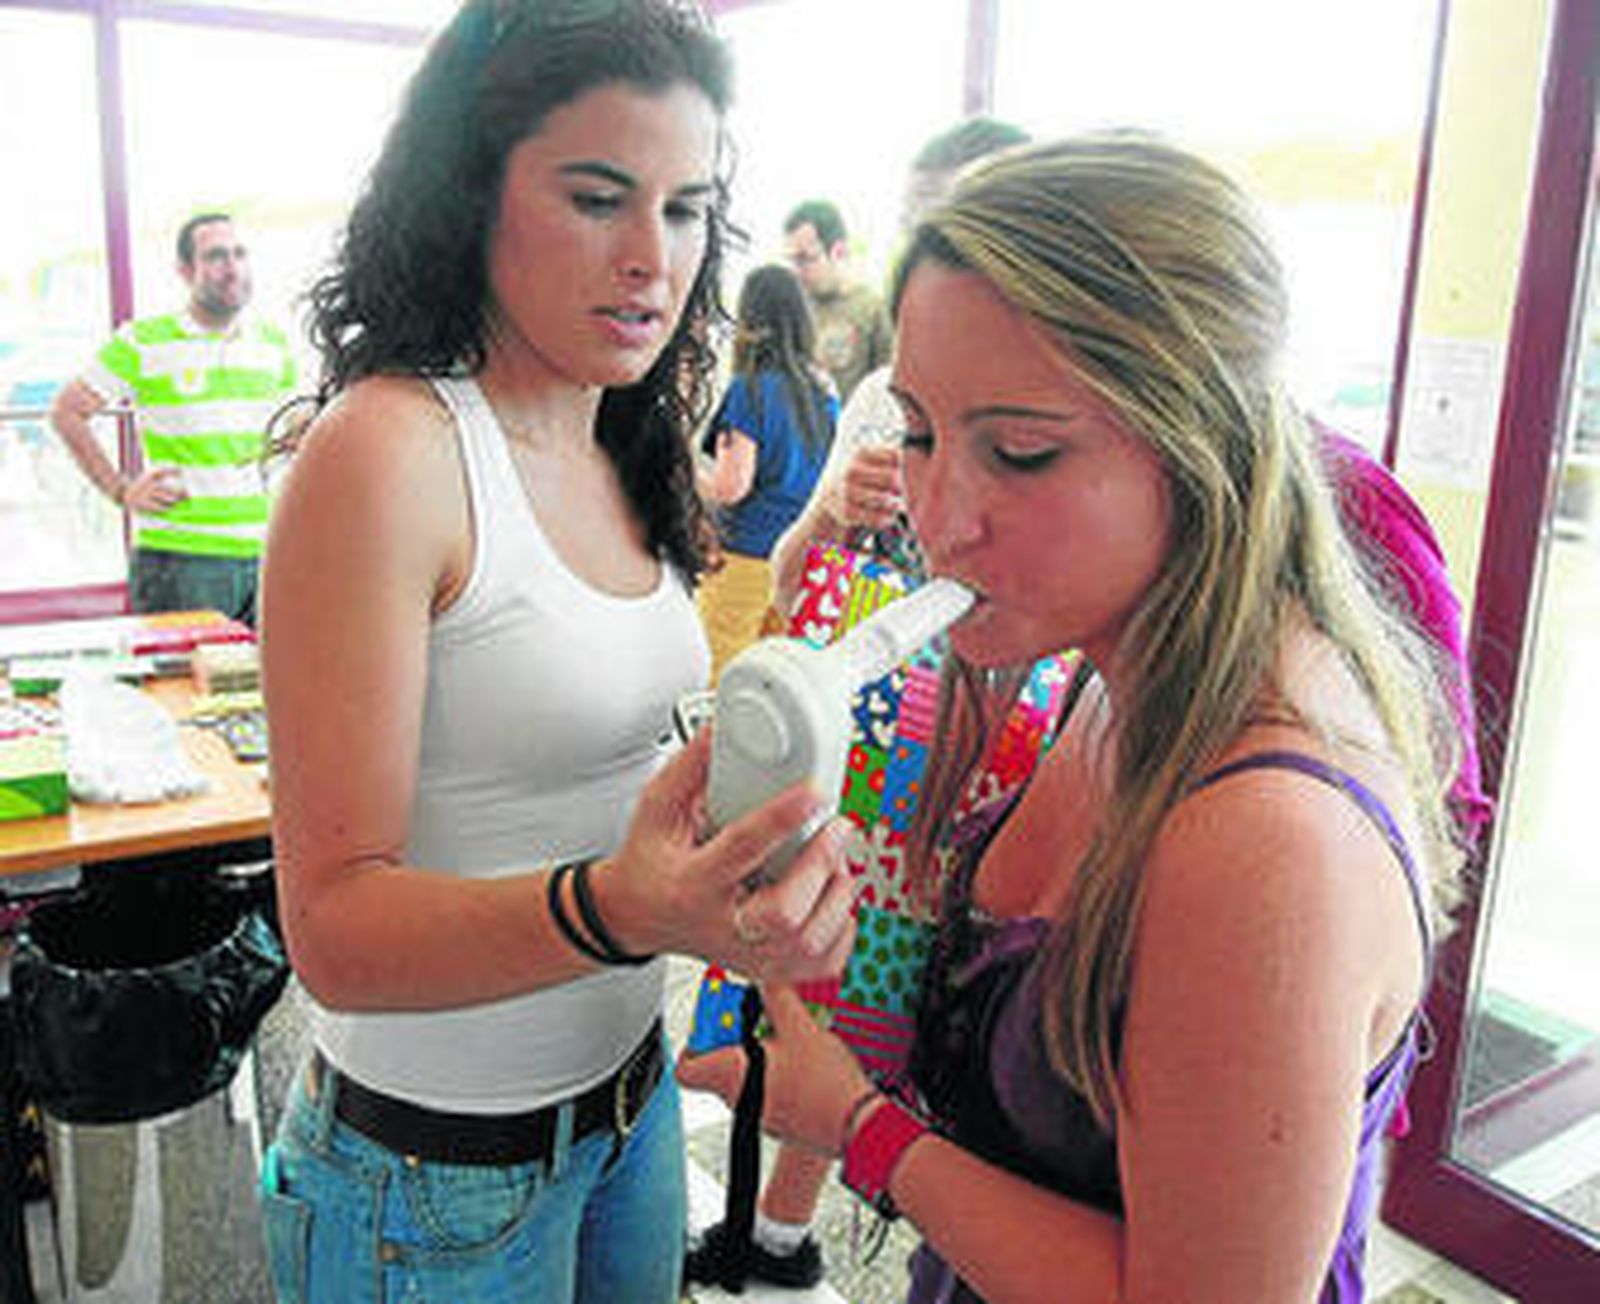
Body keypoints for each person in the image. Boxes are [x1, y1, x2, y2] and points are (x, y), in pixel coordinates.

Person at [678, 134, 1472, 1304]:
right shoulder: (1117, 668)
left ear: (1204, 445)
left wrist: (855, 1124)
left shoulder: (1267, 837)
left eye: (1022, 451)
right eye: (919, 431)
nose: (940, 517)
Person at [256, 4, 855, 1302]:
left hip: (626, 1118)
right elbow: (335, 931)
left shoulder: (616, 439)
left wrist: (746, 855)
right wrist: (625, 907)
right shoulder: (389, 453)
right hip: (431, 1181)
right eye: (598, 198)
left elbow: (583, 767)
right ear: (472, 195)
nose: (654, 257)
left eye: (688, 208)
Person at [688, 116, 1032, 1295]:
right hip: (873, 732)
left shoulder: (1067, 400)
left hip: (996, 755)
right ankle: (775, 1226)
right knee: (813, 993)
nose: (942, 243)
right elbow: (791, 579)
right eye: (925, 214)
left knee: (956, 1032)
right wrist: (832, 504)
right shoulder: (885, 389)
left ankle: (807, 1221)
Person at [772, 118, 1032, 617]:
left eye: (962, 239)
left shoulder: (1097, 427)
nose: (928, 264)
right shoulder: (881, 401)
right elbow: (787, 595)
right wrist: (835, 511)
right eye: (915, 236)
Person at [48, 213, 297, 624]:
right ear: (185, 271)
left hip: (265, 555)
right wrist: (120, 491)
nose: (232, 268)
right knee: (178, 687)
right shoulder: (144, 340)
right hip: (180, 560)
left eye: (239, 254)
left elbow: (294, 430)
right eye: (216, 256)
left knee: (264, 688)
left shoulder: (274, 344)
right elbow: (67, 412)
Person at [696, 263, 839, 679]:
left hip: (746, 557)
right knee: (769, 680)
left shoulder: (750, 389)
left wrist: (681, 472)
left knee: (720, 673)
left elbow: (730, 487)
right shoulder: (826, 393)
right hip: (800, 561)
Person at [783, 198, 893, 403]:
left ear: (838, 252)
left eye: (805, 259)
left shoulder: (874, 311)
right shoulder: (789, 311)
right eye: (792, 261)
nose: (796, 271)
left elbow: (888, 396)